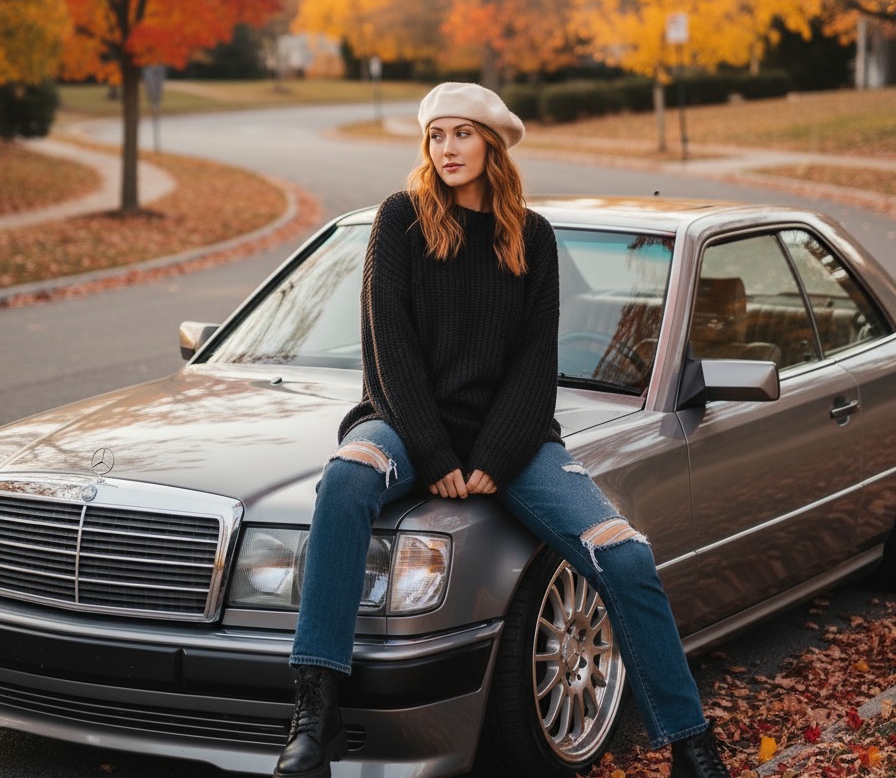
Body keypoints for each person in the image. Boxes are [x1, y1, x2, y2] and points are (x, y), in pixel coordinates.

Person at [274, 82, 731, 778]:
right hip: (401, 422)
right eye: (436, 136)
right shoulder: (400, 220)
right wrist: (432, 453)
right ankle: (316, 709)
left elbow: (533, 364)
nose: (447, 148)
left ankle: (689, 743)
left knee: (628, 555)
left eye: (462, 134)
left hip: (514, 440)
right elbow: (388, 347)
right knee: (344, 481)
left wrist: (493, 455)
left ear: (492, 142)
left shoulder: (533, 235)